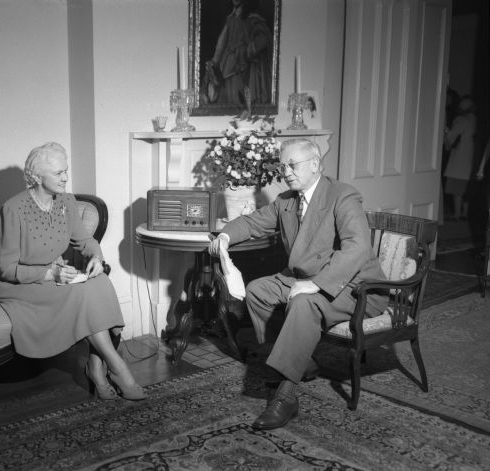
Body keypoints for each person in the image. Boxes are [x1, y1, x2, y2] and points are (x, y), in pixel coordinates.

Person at [209, 139, 387, 429]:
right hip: (305, 279)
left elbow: (357, 247)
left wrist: (316, 284)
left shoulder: (342, 195)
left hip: (355, 287)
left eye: (293, 165)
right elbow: (252, 223)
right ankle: (300, 362)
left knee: (303, 302)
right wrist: (225, 237)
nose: (286, 172)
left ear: (315, 165)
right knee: (258, 291)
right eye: (283, 166)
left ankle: (286, 394)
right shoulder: (286, 201)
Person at [0, 142, 146, 401]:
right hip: (17, 282)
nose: (66, 178)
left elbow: (84, 241)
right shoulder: (13, 208)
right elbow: (7, 269)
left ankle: (96, 366)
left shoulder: (67, 202)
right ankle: (117, 367)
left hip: (55, 273)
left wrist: (96, 256)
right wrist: (51, 274)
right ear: (37, 177)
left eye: (66, 171)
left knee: (101, 283)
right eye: (59, 173)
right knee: (80, 295)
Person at [203, 0, 272, 109]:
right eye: (234, 7)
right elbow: (222, 43)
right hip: (230, 66)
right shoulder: (231, 20)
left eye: (238, 6)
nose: (235, 11)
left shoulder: (254, 21)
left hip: (246, 68)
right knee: (230, 97)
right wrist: (214, 62)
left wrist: (246, 51)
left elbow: (263, 39)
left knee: (243, 99)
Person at [443, 95, 477, 221]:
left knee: (456, 191)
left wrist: (445, 132)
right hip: (471, 161)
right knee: (465, 191)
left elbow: (450, 140)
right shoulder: (476, 120)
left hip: (458, 161)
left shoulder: (460, 120)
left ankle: (457, 214)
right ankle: (464, 213)